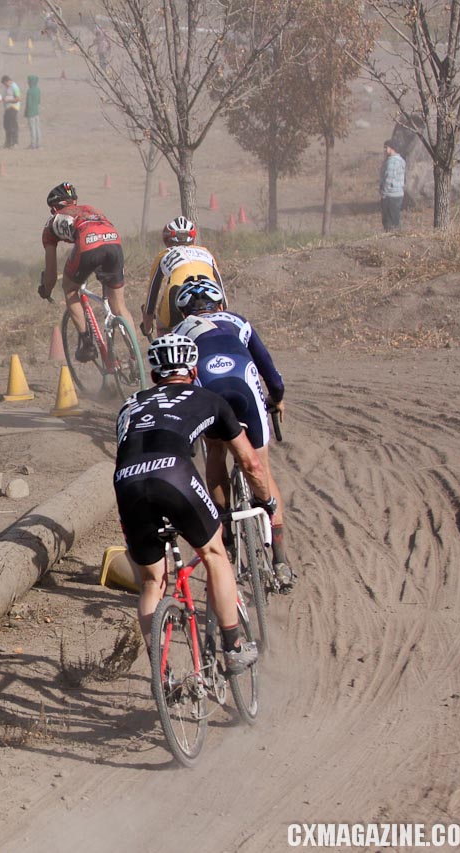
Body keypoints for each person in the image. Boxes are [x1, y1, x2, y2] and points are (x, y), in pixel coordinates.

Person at [114, 333, 276, 673]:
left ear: (155, 375)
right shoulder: (209, 397)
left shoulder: (129, 405)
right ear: (192, 369)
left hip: (126, 481)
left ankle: (163, 675)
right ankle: (232, 647)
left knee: (151, 582)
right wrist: (268, 501)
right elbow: (251, 464)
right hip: (173, 474)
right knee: (214, 553)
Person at [170, 278, 293, 592]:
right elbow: (269, 369)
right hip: (243, 383)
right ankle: (280, 561)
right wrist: (276, 398)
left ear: (184, 312)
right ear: (220, 305)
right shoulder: (238, 320)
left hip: (208, 387)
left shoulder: (179, 331)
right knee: (259, 466)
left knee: (216, 452)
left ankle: (224, 526)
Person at [37, 181, 134, 359]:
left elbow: (51, 273)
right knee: (119, 306)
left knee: (70, 289)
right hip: (114, 242)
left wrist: (46, 289)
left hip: (88, 244)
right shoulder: (90, 209)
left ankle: (87, 343)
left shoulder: (52, 223)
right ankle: (135, 355)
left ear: (54, 208)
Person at [140, 216, 224, 337]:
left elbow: (151, 298)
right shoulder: (206, 252)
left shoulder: (164, 255)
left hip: (177, 292)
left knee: (164, 328)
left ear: (167, 241)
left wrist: (147, 328)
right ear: (193, 239)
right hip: (210, 292)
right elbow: (223, 296)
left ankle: (167, 350)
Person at [380, 139, 405, 232]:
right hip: (398, 194)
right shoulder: (401, 160)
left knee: (389, 222)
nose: (384, 150)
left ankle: (391, 238)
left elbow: (388, 178)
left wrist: (383, 192)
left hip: (390, 195)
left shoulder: (391, 162)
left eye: (386, 148)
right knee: (395, 219)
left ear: (392, 148)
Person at [0, 75, 21, 148]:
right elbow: (7, 96)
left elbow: (18, 99)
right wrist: (1, 99)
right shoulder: (7, 87)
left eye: (5, 84)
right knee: (6, 125)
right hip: (7, 108)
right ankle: (8, 142)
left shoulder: (14, 87)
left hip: (13, 107)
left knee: (13, 125)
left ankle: (15, 143)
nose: (4, 85)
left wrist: (8, 100)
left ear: (7, 81)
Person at [24, 74, 42, 149]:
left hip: (31, 112)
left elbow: (28, 103)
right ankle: (39, 143)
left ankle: (33, 144)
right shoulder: (38, 90)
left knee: (32, 128)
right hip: (36, 111)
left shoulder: (29, 91)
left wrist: (26, 112)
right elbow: (39, 101)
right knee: (37, 128)